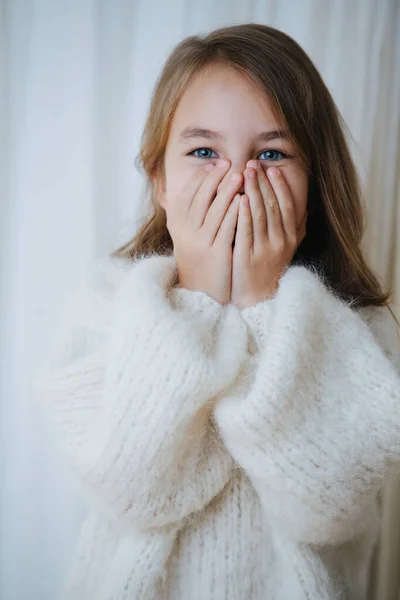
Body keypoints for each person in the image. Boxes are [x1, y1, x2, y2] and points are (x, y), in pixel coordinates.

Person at [32, 22, 400, 600]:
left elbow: (326, 506)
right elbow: (132, 488)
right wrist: (200, 296)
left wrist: (263, 301)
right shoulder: (105, 307)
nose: (235, 181)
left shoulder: (360, 332)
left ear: (315, 184)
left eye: (271, 154)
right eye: (204, 151)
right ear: (161, 181)